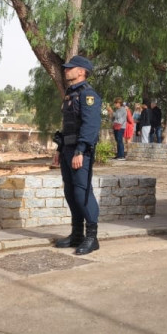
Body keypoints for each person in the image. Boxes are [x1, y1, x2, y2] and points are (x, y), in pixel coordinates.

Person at [53, 55, 102, 255]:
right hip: (67, 150)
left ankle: (92, 237)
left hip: (80, 152)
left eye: (70, 68)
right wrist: (59, 149)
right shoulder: (70, 94)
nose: (66, 71)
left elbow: (90, 127)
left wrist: (81, 150)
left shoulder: (88, 95)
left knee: (82, 192)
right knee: (70, 192)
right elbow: (68, 126)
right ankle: (76, 234)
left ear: (81, 71)